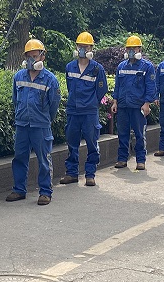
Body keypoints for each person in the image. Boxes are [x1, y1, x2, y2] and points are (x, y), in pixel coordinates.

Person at [9, 39, 61, 204]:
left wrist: (45, 119)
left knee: (44, 159)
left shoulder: (50, 79)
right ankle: (19, 190)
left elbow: (54, 104)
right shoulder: (19, 76)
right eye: (29, 56)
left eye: (35, 56)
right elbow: (15, 99)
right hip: (22, 124)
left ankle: (45, 192)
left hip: (41, 126)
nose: (32, 59)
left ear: (42, 57)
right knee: (19, 158)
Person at [61, 31, 107, 186]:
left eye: (86, 47)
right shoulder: (70, 67)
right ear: (76, 47)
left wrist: (91, 102)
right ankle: (71, 173)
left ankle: (90, 174)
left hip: (89, 112)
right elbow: (70, 87)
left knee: (92, 143)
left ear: (91, 48)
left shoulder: (97, 69)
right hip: (73, 111)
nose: (82, 49)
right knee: (72, 142)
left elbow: (101, 90)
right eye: (80, 46)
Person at [111, 36, 157, 169]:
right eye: (129, 48)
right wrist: (115, 102)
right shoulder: (121, 66)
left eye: (134, 48)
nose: (131, 51)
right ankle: (122, 159)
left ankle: (140, 160)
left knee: (139, 134)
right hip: (123, 105)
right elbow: (117, 86)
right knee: (122, 134)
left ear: (139, 49)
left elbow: (151, 87)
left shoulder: (147, 67)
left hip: (138, 106)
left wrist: (147, 104)